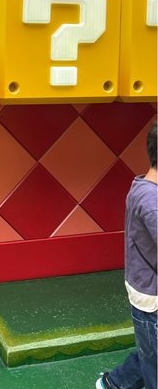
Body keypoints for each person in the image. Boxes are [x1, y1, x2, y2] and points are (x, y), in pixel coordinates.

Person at [96, 122, 157, 389]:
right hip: (153, 298)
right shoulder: (151, 202)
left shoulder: (144, 186)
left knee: (150, 352)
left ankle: (114, 383)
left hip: (146, 289)